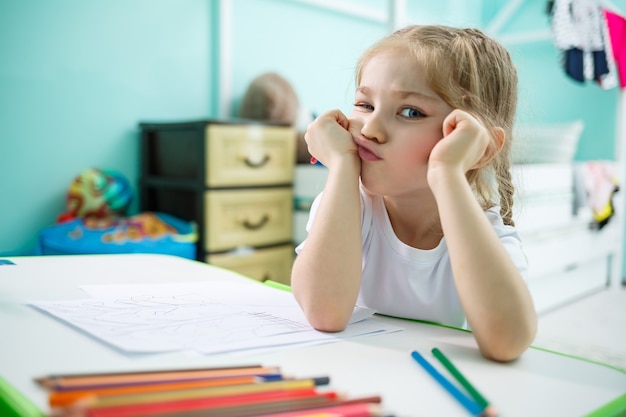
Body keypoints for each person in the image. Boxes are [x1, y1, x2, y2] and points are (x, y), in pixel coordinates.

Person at [290, 25, 537, 362]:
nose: (371, 130)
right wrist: (343, 166)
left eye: (410, 112)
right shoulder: (346, 203)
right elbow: (324, 314)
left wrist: (446, 173)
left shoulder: (485, 233)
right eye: (364, 105)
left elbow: (507, 343)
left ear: (477, 146)